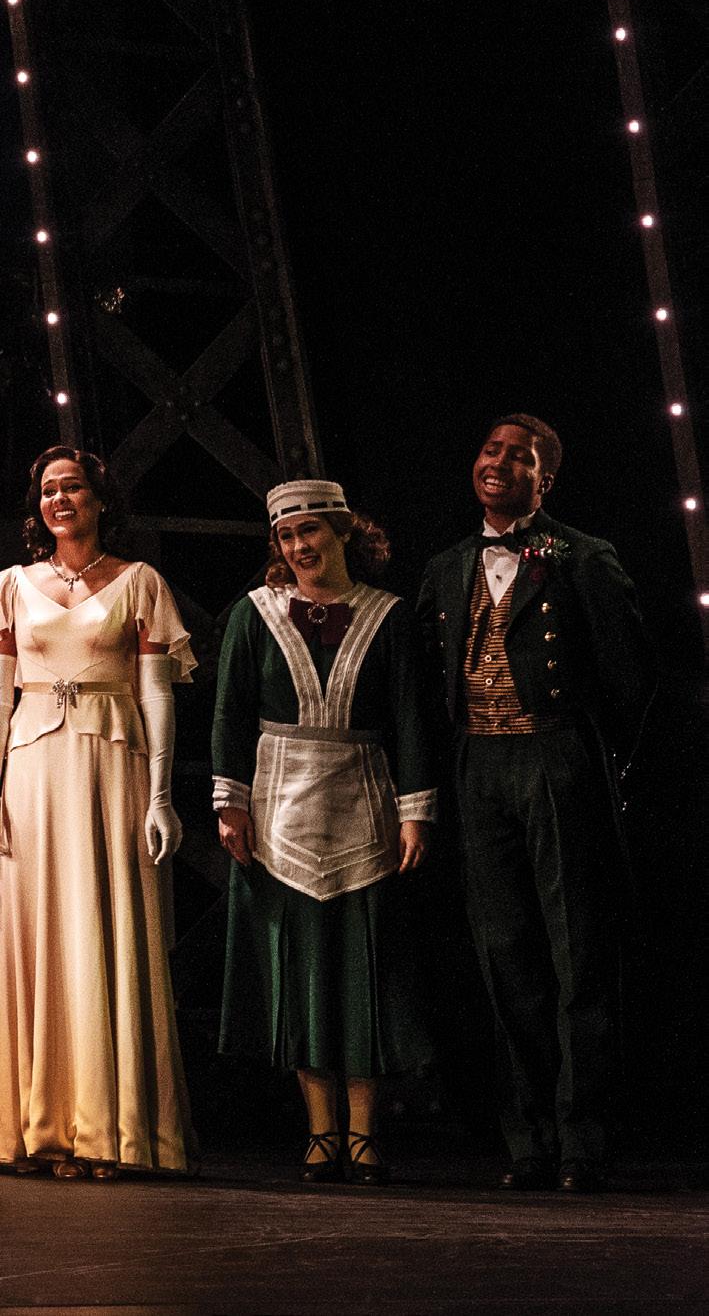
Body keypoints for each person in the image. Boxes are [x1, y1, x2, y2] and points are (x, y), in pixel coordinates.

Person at [417, 415, 656, 1193]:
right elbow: (429, 678)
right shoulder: (446, 566)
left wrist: (592, 758)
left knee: (575, 950)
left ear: (542, 479)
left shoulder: (580, 555)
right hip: (478, 762)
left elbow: (630, 674)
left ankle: (582, 1138)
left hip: (555, 754)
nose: (497, 462)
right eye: (490, 449)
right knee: (504, 952)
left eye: (517, 456)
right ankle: (528, 1136)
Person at [212, 478, 436, 1184]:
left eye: (310, 530)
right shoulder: (254, 614)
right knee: (302, 973)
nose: (298, 546)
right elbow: (229, 713)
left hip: (362, 807)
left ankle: (363, 1134)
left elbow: (410, 716)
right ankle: (320, 1131)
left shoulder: (387, 616)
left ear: (343, 532)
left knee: (364, 973)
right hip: (279, 812)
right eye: (286, 535)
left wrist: (414, 811)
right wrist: (230, 803)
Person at [0, 445, 197, 1179]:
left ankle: (110, 1129)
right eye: (48, 488)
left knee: (107, 927)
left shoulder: (140, 581)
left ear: (100, 499)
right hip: (33, 767)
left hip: (113, 764)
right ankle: (42, 1127)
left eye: (73, 486)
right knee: (37, 933)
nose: (59, 498)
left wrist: (162, 795)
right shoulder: (11, 586)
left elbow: (156, 692)